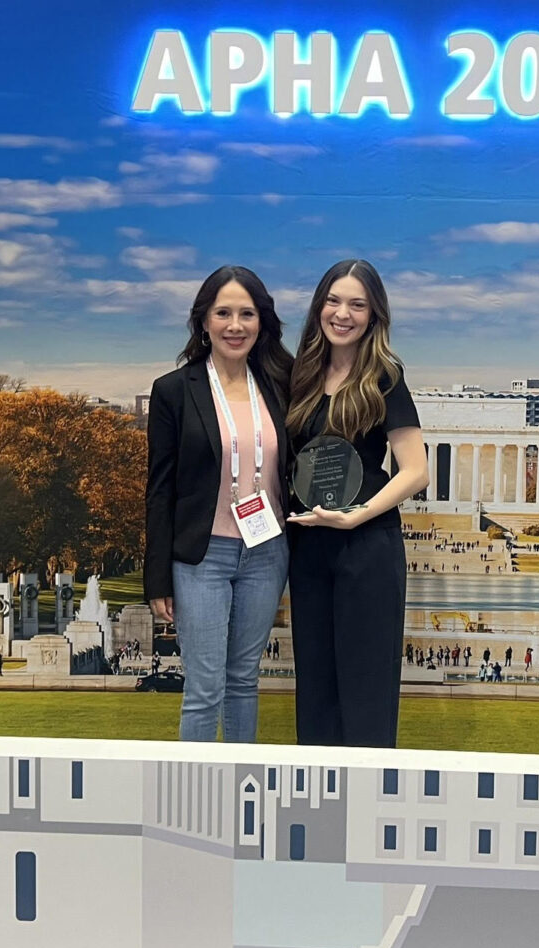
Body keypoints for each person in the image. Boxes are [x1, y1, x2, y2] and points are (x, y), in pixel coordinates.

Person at [144, 265, 293, 742]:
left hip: (266, 552)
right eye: (223, 313)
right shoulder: (174, 390)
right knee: (205, 688)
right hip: (201, 556)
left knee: (243, 683)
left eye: (246, 314)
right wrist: (157, 577)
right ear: (203, 321)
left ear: (262, 322)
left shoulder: (280, 384)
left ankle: (240, 799)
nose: (235, 325)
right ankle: (195, 800)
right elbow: (160, 488)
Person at [287, 259, 428, 748]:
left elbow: (415, 469)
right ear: (318, 307)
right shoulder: (300, 375)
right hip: (309, 550)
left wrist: (357, 516)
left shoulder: (384, 377)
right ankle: (316, 810)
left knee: (366, 691)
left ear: (373, 316)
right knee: (316, 691)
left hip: (367, 545)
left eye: (356, 304)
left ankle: (369, 811)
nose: (342, 313)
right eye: (333, 300)